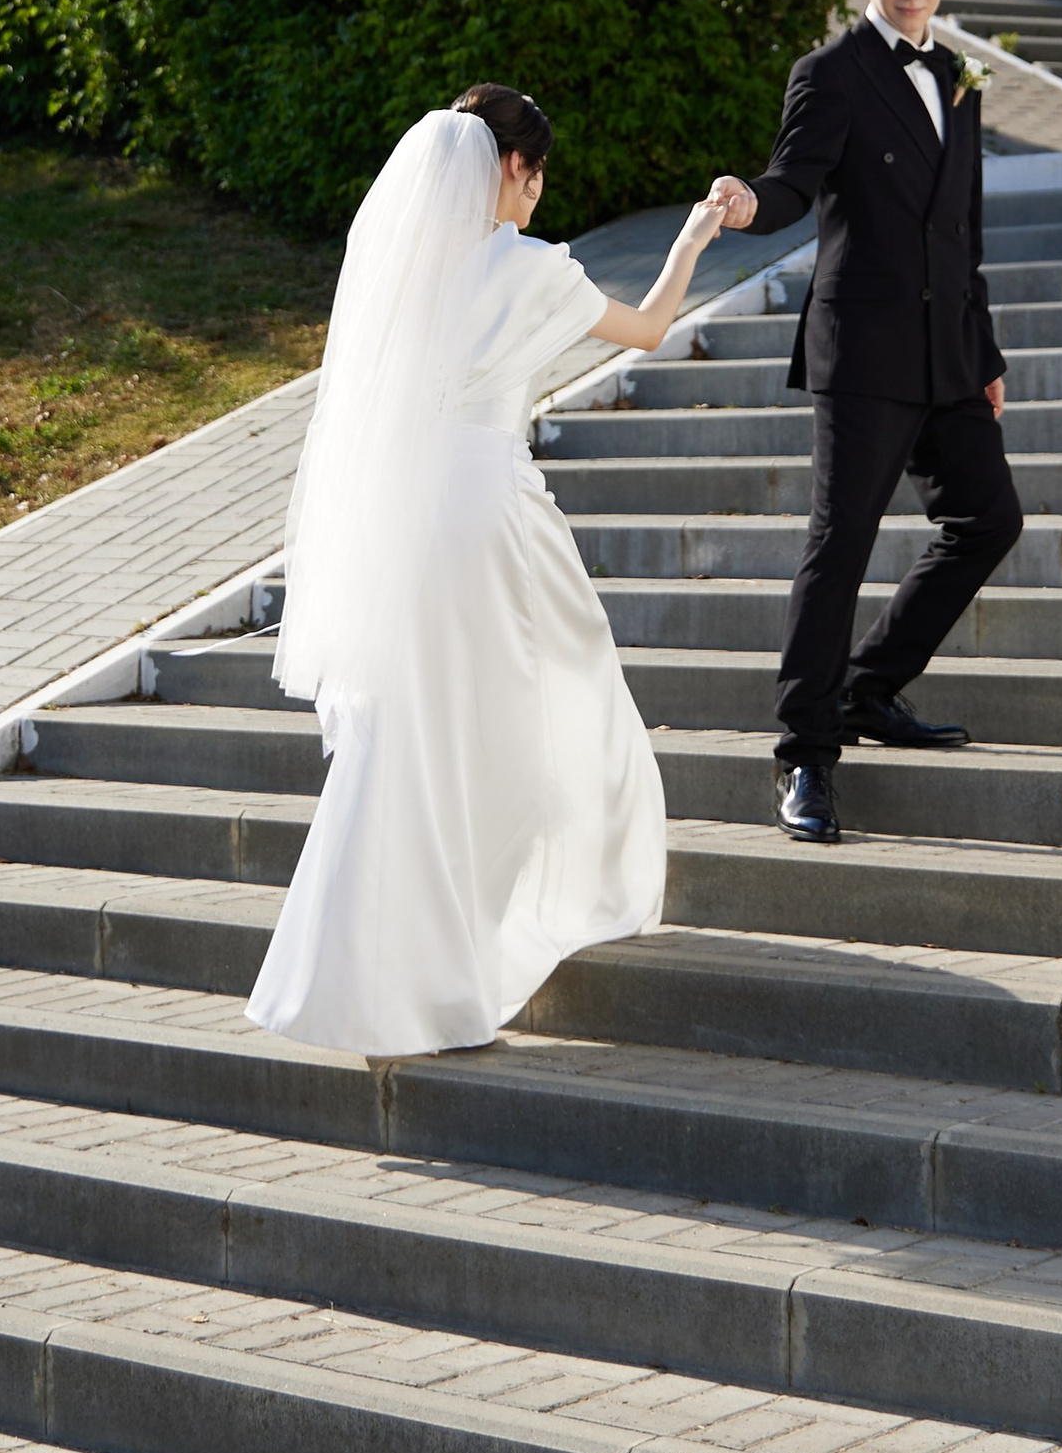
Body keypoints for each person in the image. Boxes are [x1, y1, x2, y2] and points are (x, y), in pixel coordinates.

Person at [247, 85, 727, 1058]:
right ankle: (518, 913)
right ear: (514, 168)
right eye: (537, 174)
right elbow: (643, 328)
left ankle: (355, 976)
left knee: (409, 734)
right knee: (563, 689)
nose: (538, 194)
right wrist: (692, 239)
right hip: (488, 510)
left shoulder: (402, 277)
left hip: (406, 517)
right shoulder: (529, 269)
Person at [710, 0, 1023, 843]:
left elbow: (960, 228)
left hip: (948, 350)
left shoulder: (961, 74)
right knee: (839, 543)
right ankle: (805, 751)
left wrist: (986, 347)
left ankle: (869, 688)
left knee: (990, 517)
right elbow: (794, 182)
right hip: (864, 348)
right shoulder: (831, 72)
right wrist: (745, 202)